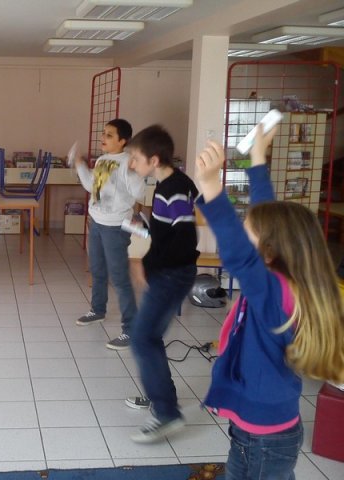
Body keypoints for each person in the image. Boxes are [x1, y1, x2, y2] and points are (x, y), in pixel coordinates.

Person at [195, 125, 344, 479]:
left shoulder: (275, 292)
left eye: (249, 232)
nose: (243, 232)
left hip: (268, 437)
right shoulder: (280, 277)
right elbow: (267, 213)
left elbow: (241, 256)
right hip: (255, 430)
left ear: (270, 249)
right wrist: (257, 159)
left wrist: (213, 188)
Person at [124, 124, 199, 443]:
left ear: (154, 160)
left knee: (142, 338)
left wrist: (148, 263)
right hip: (167, 272)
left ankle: (166, 412)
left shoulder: (174, 189)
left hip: (173, 275)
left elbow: (183, 241)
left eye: (136, 158)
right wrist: (145, 232)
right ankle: (162, 401)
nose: (132, 164)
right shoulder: (169, 185)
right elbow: (168, 233)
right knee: (148, 337)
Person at [73, 118, 146, 350]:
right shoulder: (104, 160)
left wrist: (137, 169)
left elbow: (139, 192)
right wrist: (79, 165)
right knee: (97, 269)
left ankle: (131, 329)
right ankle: (97, 310)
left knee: (120, 278)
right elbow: (91, 187)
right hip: (96, 222)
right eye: (103, 134)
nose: (102, 138)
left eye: (109, 135)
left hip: (115, 227)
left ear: (123, 141)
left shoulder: (127, 163)